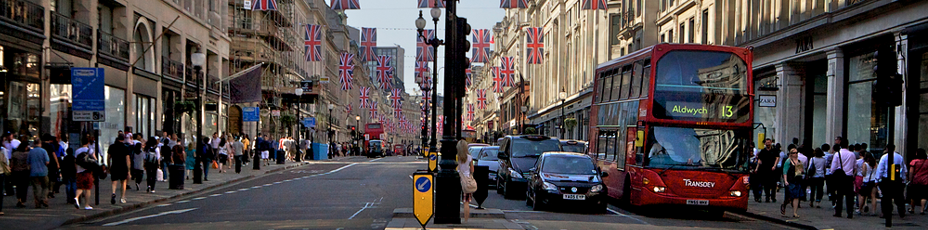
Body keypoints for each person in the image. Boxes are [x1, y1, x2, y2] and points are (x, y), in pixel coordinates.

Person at [875, 144, 907, 219]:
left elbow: (880, 169)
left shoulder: (884, 157)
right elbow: (903, 169)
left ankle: (886, 212)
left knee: (885, 196)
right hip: (897, 178)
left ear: (887, 148)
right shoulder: (899, 157)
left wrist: (877, 179)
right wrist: (903, 179)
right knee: (899, 196)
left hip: (886, 179)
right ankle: (901, 210)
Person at [829, 141, 856, 218]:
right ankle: (850, 212)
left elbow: (833, 167)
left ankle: (838, 211)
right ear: (847, 145)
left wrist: (832, 173)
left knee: (839, 195)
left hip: (840, 176)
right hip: (849, 176)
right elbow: (854, 166)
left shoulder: (837, 154)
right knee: (849, 195)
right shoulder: (852, 154)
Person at [107, 135, 131, 204]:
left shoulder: (112, 146)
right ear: (123, 139)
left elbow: (108, 157)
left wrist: (109, 166)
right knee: (123, 182)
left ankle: (113, 193)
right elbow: (128, 159)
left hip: (114, 165)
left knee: (114, 181)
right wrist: (129, 170)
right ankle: (122, 197)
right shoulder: (125, 147)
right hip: (123, 166)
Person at [781, 148, 804, 217]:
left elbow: (802, 171)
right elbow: (785, 171)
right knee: (790, 197)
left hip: (797, 180)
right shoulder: (788, 161)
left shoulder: (799, 161)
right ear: (791, 154)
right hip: (790, 181)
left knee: (796, 197)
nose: (795, 154)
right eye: (794, 153)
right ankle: (784, 204)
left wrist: (801, 171)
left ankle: (795, 212)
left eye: (796, 153)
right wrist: (785, 181)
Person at [455, 140, 475, 223]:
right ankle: (466, 220)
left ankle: (456, 217)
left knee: (455, 199)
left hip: (458, 179)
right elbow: (472, 169)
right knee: (466, 202)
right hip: (466, 180)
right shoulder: (469, 157)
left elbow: (456, 168)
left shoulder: (457, 157)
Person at [74, 138, 96, 210]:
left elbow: (75, 162)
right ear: (88, 143)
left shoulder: (77, 151)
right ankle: (86, 205)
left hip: (80, 171)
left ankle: (76, 197)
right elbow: (94, 160)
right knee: (87, 188)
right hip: (88, 171)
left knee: (80, 187)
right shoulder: (90, 150)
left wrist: (76, 170)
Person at [755, 138, 779, 203]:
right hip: (765, 169)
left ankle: (773, 197)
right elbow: (759, 160)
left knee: (773, 184)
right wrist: (757, 168)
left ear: (771, 142)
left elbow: (777, 158)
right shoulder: (763, 151)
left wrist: (774, 166)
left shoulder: (774, 150)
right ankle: (767, 197)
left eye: (769, 142)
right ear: (765, 143)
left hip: (772, 169)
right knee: (766, 184)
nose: (768, 144)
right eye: (766, 142)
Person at [907, 149, 928, 215]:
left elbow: (911, 172)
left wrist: (910, 180)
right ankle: (922, 210)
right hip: (925, 180)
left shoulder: (914, 162)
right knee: (923, 195)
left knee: (913, 195)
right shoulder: (927, 162)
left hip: (916, 180)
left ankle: (912, 209)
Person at [857, 151, 878, 216]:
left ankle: (860, 209)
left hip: (866, 181)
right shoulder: (875, 164)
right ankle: (873, 211)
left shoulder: (865, 164)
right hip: (873, 181)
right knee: (873, 196)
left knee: (862, 196)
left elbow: (864, 173)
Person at [40, 135, 60, 199]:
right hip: (51, 163)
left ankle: (45, 190)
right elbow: (54, 154)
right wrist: (57, 163)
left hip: (43, 163)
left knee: (46, 177)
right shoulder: (51, 146)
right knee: (52, 178)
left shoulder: (41, 146)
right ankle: (50, 190)